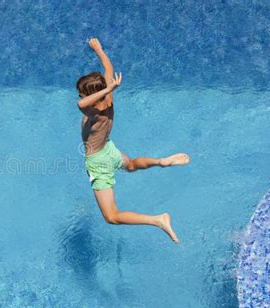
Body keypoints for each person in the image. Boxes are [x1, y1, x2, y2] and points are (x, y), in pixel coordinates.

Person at [76, 38, 190, 244]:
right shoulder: (108, 100)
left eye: (82, 92)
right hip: (109, 150)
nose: (80, 94)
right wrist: (99, 50)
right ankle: (160, 161)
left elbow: (81, 103)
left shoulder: (94, 111)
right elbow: (108, 67)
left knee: (112, 217)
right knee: (130, 165)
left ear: (93, 95)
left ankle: (158, 220)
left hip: (98, 162)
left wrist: (105, 89)